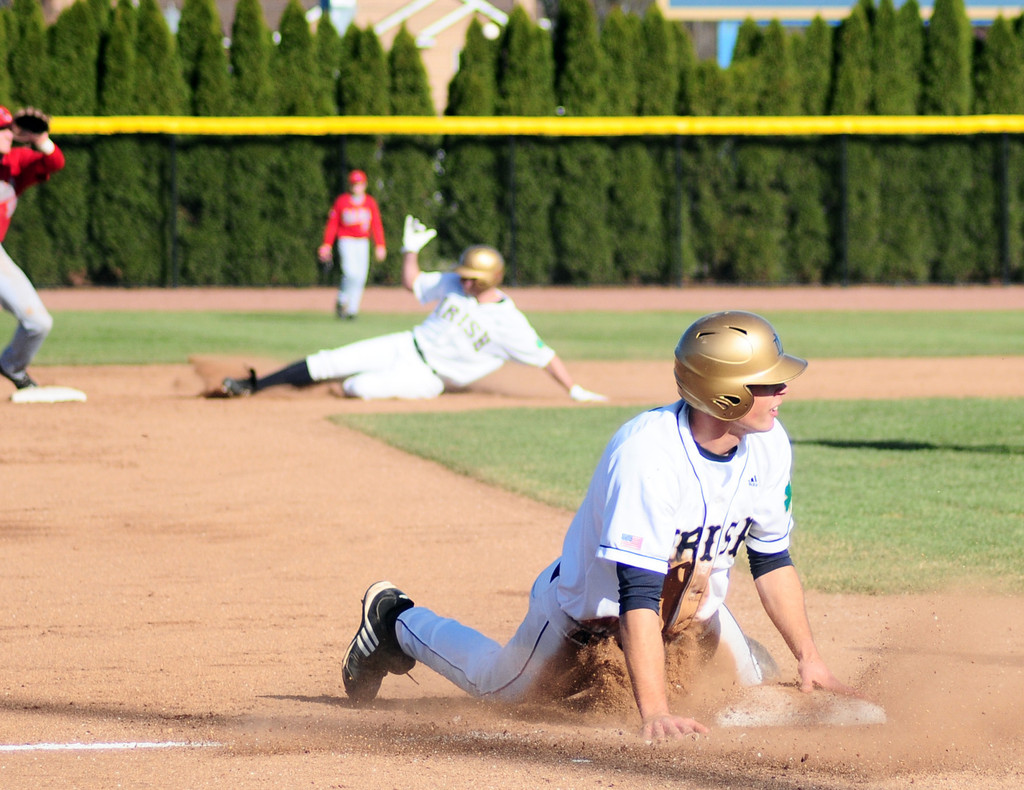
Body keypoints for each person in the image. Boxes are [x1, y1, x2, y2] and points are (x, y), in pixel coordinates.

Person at [339, 310, 858, 740]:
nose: (784, 389)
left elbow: (771, 558)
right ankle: (396, 622)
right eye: (768, 382)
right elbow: (636, 593)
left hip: (691, 614)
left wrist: (809, 657)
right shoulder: (647, 456)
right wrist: (654, 711)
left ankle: (747, 657)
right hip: (586, 620)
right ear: (725, 394)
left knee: (748, 688)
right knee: (501, 692)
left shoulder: (769, 443)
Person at [219, 216, 607, 403]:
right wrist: (410, 250)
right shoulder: (454, 285)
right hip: (405, 344)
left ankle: (326, 390)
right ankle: (256, 385)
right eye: (464, 274)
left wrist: (573, 389)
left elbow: (546, 357)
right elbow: (413, 282)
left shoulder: (510, 321)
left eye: (473, 277)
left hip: (429, 378)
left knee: (358, 386)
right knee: (330, 359)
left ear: (490, 279)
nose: (464, 280)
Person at [0, 106, 64, 391]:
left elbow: (54, 162)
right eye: (1, 129)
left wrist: (40, 140)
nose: (7, 134)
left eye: (8, 128)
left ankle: (11, 366)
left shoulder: (14, 163)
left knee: (38, 323)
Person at [317, 169, 386, 320]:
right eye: (354, 184)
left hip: (362, 241)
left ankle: (352, 310)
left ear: (365, 185)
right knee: (350, 273)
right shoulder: (342, 201)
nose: (357, 187)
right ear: (350, 185)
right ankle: (342, 300)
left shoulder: (369, 202)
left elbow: (376, 225)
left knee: (361, 276)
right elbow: (333, 224)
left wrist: (380, 245)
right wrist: (327, 244)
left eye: (360, 184)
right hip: (346, 239)